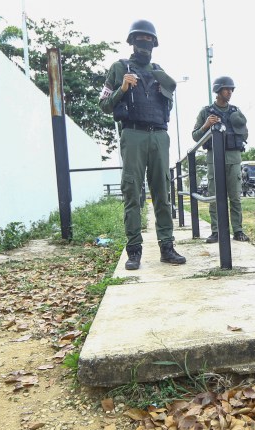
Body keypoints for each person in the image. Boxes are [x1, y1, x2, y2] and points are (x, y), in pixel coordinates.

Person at [98, 19, 186, 270]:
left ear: (155, 44)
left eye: (148, 40)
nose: (144, 44)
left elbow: (167, 102)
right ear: (132, 42)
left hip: (159, 135)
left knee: (162, 193)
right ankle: (134, 250)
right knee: (132, 192)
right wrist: (122, 88)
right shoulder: (118, 68)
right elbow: (104, 105)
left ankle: (167, 247)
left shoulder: (160, 71)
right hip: (133, 134)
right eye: (139, 40)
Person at [191, 76, 250, 244]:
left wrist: (237, 126)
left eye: (231, 89)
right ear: (218, 91)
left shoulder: (236, 111)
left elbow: (245, 133)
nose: (229, 92)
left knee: (235, 197)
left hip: (233, 158)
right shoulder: (206, 112)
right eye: (226, 89)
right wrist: (206, 125)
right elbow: (195, 137)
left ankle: (238, 230)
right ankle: (216, 231)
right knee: (215, 197)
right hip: (214, 158)